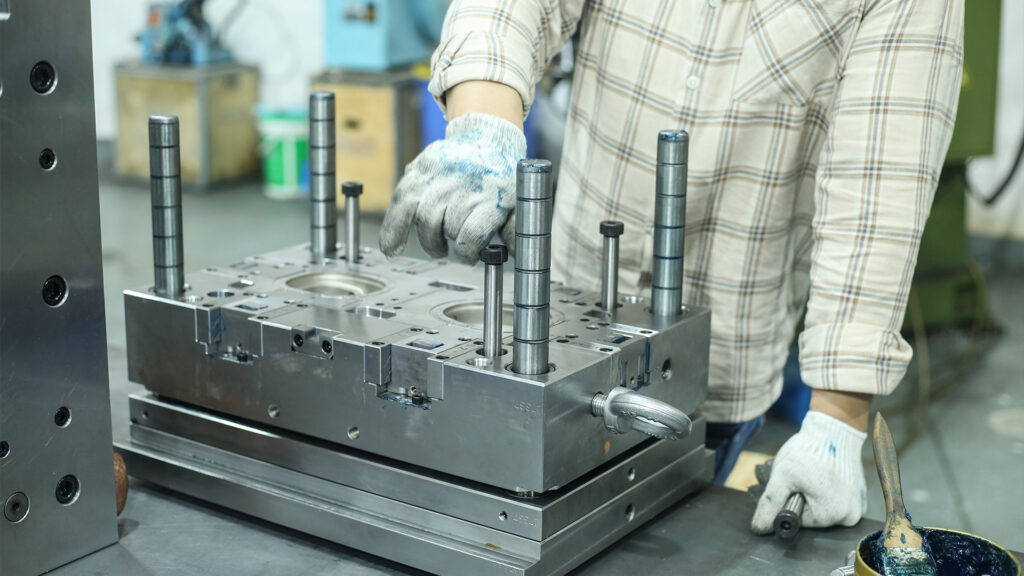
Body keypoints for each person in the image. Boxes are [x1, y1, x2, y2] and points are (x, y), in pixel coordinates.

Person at [380, 0, 963, 533]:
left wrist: (839, 420)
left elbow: (879, 184)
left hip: (721, 358)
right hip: (566, 311)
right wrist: (486, 126)